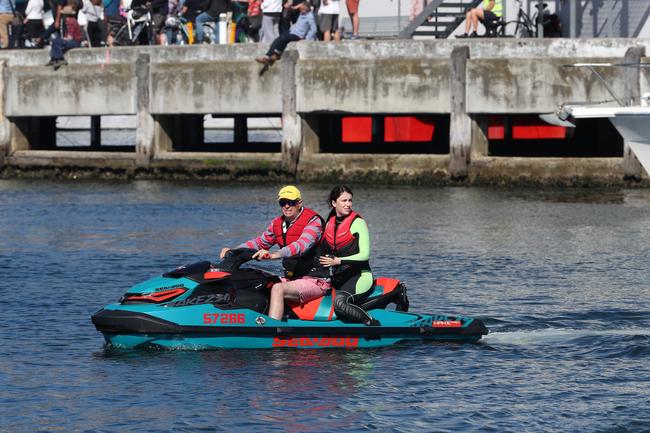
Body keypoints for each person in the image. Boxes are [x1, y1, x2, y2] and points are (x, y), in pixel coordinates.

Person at [219, 185, 329, 321]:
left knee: (278, 289)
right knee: (256, 282)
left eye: (291, 202)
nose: (287, 206)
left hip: (315, 280)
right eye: (283, 203)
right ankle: (246, 321)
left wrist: (274, 255)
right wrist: (233, 251)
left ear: (299, 203)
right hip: (292, 279)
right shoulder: (277, 223)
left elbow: (301, 246)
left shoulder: (314, 221)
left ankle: (272, 330)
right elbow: (260, 243)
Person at [314, 185, 378, 326]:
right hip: (339, 278)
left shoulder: (358, 223)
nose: (348, 204)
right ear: (333, 203)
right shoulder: (329, 223)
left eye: (350, 200)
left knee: (339, 303)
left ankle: (371, 322)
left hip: (360, 277)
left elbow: (364, 255)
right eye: (344, 201)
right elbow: (319, 252)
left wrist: (338, 261)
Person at [255, 0, 314, 66]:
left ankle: (269, 56)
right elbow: (297, 7)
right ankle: (273, 56)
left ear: (307, 9)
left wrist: (307, 38)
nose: (301, 10)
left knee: (282, 38)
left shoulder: (310, 17)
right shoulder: (302, 13)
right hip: (292, 32)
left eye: (303, 9)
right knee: (279, 39)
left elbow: (314, 29)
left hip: (298, 35)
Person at [46, 0, 83, 70]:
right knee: (55, 41)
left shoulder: (71, 21)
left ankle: (59, 58)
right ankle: (54, 58)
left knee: (57, 41)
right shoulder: (71, 20)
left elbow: (70, 36)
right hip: (73, 40)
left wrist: (63, 39)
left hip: (75, 42)